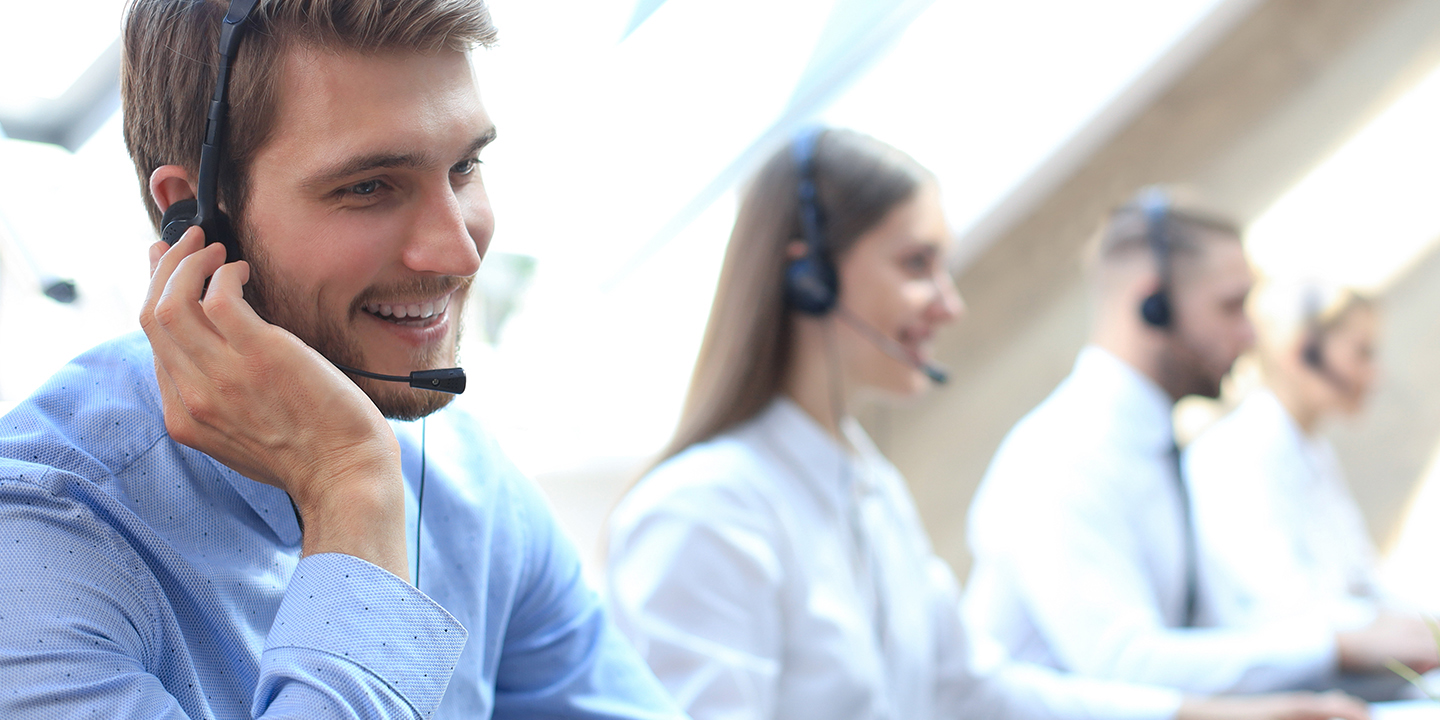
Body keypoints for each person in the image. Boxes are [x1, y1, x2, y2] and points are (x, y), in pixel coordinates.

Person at [0, 1, 682, 717]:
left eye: (464, 166)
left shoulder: (466, 477)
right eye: (367, 187)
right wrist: (350, 490)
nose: (459, 251)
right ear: (197, 218)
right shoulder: (34, 542)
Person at [606, 132, 1369, 720]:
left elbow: (972, 689)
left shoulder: (868, 489)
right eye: (917, 265)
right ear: (810, 277)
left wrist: (1205, 715)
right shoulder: (704, 513)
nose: (950, 303)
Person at [962, 190, 1438, 698]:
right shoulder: (1058, 457)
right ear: (1153, 306)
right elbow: (1120, 663)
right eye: (1231, 307)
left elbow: (1221, 631)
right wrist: (1332, 645)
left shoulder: (1159, 447)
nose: (1252, 336)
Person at [1185, 281, 1429, 697]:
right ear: (1302, 352)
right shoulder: (1233, 454)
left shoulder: (1308, 447)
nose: (1375, 374)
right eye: (1362, 353)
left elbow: (1361, 578)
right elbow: (1281, 614)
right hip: (1298, 687)